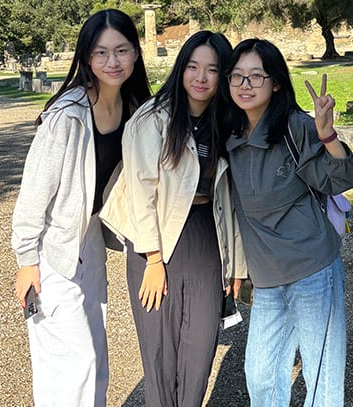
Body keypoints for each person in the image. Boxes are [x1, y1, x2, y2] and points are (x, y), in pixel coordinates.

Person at [11, 9, 151, 407]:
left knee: (95, 351)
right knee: (72, 359)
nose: (112, 62)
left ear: (136, 54)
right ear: (87, 58)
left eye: (122, 51)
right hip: (54, 245)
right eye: (101, 52)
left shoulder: (136, 108)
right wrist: (26, 261)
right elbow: (33, 194)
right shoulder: (66, 117)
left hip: (89, 239)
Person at [100, 30, 247, 407]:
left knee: (199, 353)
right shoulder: (153, 119)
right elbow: (141, 191)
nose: (200, 77)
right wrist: (152, 259)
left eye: (212, 70)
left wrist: (237, 265)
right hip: (155, 243)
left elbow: (231, 200)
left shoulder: (226, 124)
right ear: (181, 69)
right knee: (161, 357)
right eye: (193, 66)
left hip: (203, 238)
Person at [222, 38, 353, 407]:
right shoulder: (228, 133)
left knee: (322, 375)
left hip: (312, 269)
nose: (245, 85)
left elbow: (341, 179)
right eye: (237, 76)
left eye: (256, 76)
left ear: (276, 82)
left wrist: (327, 133)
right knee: (261, 374)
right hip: (267, 279)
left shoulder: (296, 127)